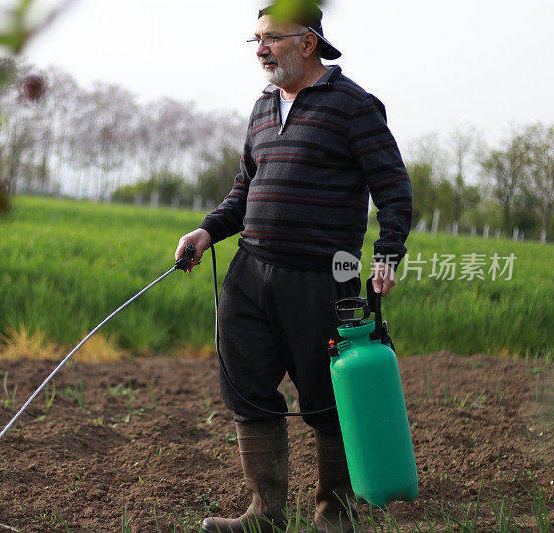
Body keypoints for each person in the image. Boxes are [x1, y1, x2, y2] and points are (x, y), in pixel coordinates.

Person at [174, 3, 413, 533]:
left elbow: (394, 190)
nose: (260, 49)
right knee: (246, 389)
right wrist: (207, 232)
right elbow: (244, 190)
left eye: (271, 39)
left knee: (329, 400)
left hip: (321, 280)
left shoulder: (355, 107)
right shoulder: (262, 108)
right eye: (255, 39)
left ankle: (335, 514)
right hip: (249, 274)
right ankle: (264, 515)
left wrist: (389, 252)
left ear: (307, 43)